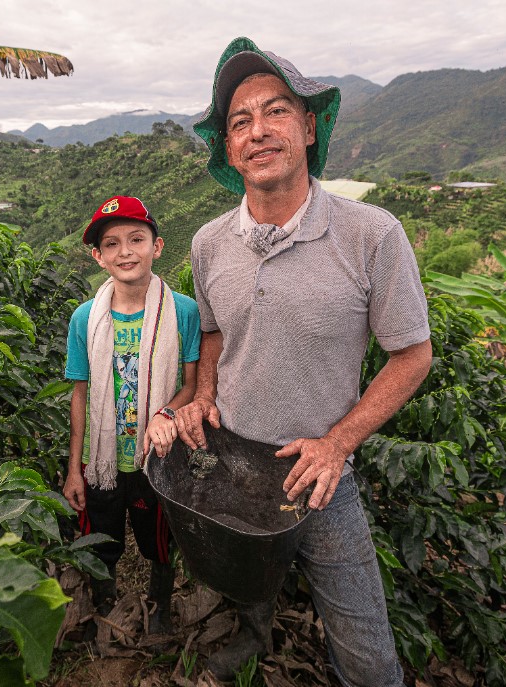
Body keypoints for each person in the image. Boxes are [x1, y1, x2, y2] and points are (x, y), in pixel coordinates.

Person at [175, 38, 433, 686]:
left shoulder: (371, 235)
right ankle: (254, 637)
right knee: (246, 579)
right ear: (228, 147)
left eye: (277, 111)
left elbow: (413, 353)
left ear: (309, 125)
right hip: (231, 458)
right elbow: (211, 332)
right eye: (240, 121)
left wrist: (337, 442)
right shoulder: (208, 244)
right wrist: (203, 393)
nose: (258, 130)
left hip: (317, 476)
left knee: (369, 655)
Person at [62, 195, 201, 636]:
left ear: (157, 247)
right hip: (102, 460)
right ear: (97, 257)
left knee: (158, 540)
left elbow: (193, 383)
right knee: (101, 541)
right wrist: (74, 470)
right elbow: (80, 395)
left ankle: (160, 604)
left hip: (155, 456)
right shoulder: (85, 319)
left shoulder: (183, 312)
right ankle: (104, 605)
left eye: (136, 239)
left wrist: (166, 411)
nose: (125, 251)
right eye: (112, 243)